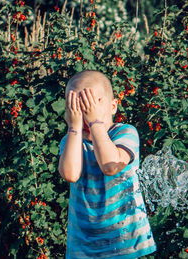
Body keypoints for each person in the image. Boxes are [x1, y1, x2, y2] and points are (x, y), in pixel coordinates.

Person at [58, 70, 157, 258]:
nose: (85, 113)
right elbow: (70, 174)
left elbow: (111, 165)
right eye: (77, 106)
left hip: (126, 241)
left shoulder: (125, 133)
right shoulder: (71, 141)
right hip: (83, 246)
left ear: (113, 106)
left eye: (91, 104)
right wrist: (73, 127)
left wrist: (95, 122)